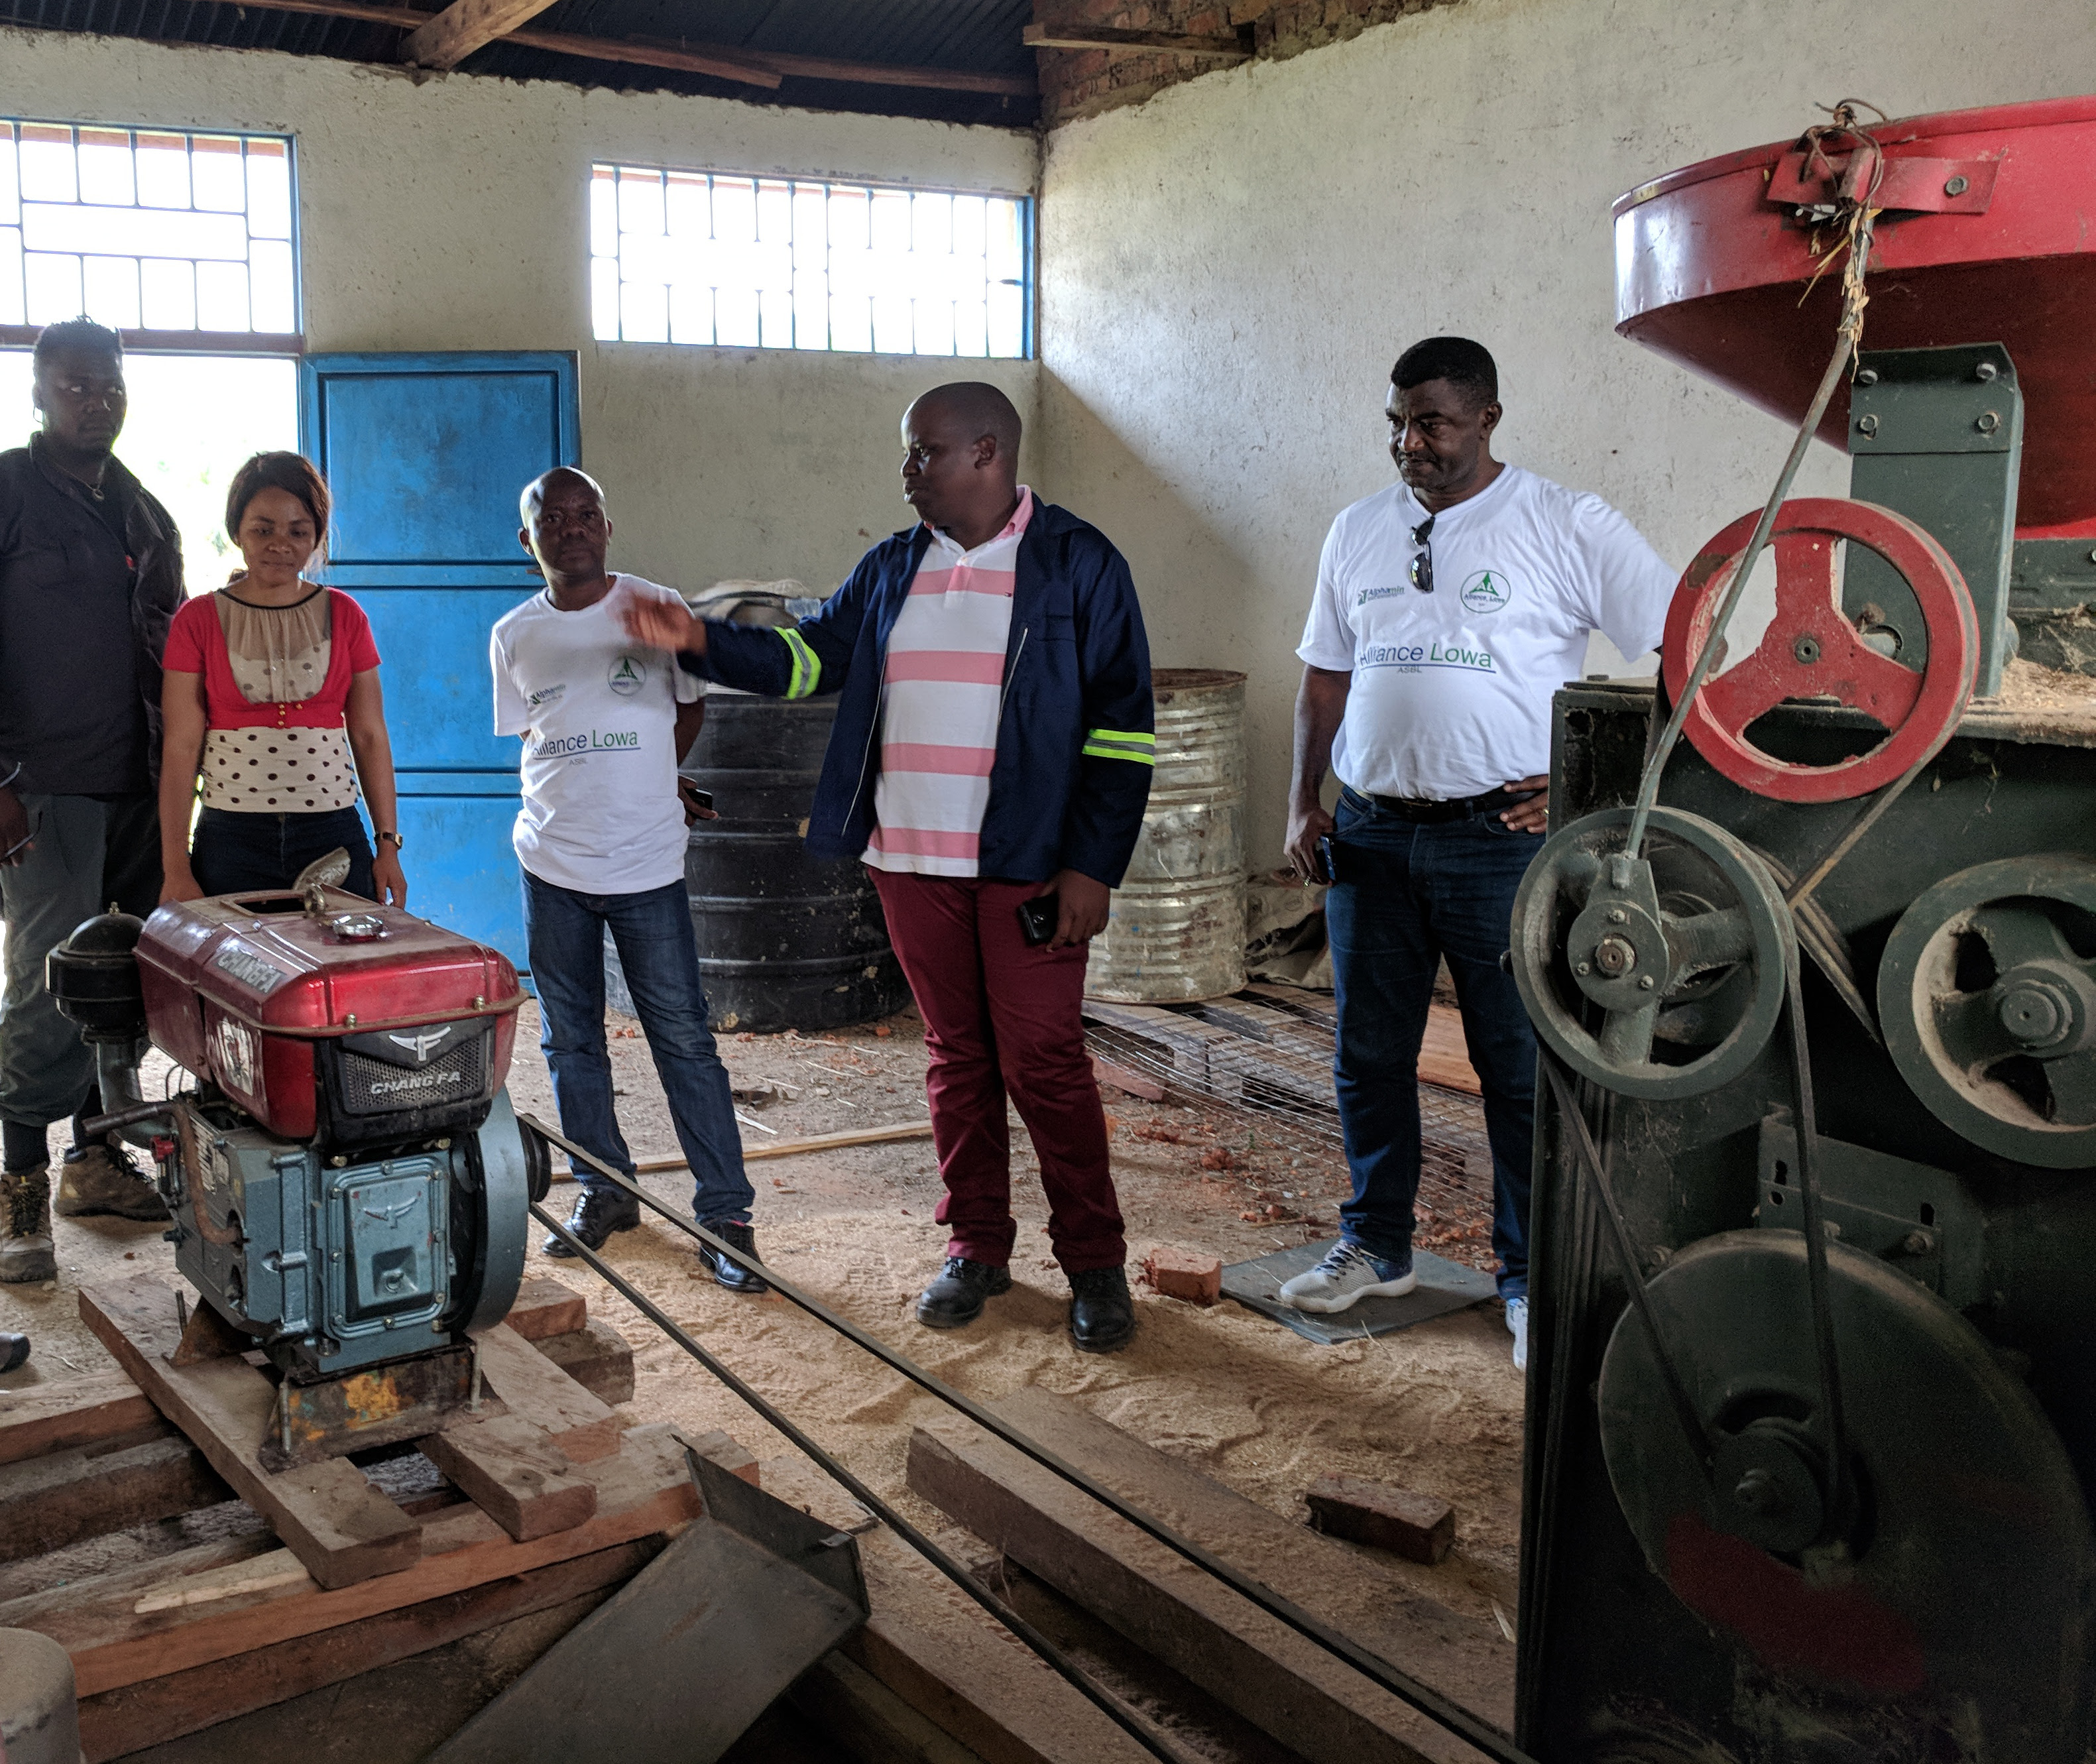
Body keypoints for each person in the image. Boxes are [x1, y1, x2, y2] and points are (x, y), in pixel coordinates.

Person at [618, 382, 1155, 1354]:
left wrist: (1093, 865)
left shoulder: (1078, 563)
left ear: (986, 452)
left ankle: (1093, 1262)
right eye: (909, 455)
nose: (906, 473)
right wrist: (700, 638)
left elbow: (1123, 731)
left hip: (1029, 864)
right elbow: (806, 661)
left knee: (1043, 1061)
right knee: (956, 1058)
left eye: (923, 454)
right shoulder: (891, 567)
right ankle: (976, 1247)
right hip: (910, 856)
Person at [1280, 337, 1678, 1370]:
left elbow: (1691, 643)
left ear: (1487, 418)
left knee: (1514, 1069)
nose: (1408, 443)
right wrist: (1303, 802)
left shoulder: (1564, 522)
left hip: (1499, 842)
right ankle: (1376, 1246)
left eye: (1431, 422)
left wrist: (1591, 782)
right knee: (1367, 1057)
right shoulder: (1357, 530)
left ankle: (1527, 1279)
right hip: (1368, 834)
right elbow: (1325, 674)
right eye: (1396, 423)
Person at [493, 466, 762, 1293]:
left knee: (682, 1037)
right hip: (552, 863)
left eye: (588, 514)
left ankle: (725, 1216)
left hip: (647, 863)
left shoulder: (656, 609)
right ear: (527, 538)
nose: (573, 528)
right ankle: (606, 1193)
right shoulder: (513, 634)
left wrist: (655, 780)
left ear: (607, 527)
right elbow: (533, 732)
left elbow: (689, 708)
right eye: (554, 517)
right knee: (570, 1039)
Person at [0, 319, 183, 1281]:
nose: (95, 401)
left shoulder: (143, 512)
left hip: (140, 787)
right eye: (76, 386)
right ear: (38, 392)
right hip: (43, 789)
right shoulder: (8, 493)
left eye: (108, 386)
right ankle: (19, 1199)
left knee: (120, 986)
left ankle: (95, 1157)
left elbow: (175, 656)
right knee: (41, 988)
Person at [159, 453, 408, 906]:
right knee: (236, 974)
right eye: (263, 528)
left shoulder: (346, 616)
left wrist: (387, 844)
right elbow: (179, 747)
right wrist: (176, 867)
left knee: (341, 968)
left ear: (316, 536)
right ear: (237, 531)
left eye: (297, 530)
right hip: (231, 838)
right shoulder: (196, 620)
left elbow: (370, 735)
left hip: (332, 834)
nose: (280, 543)